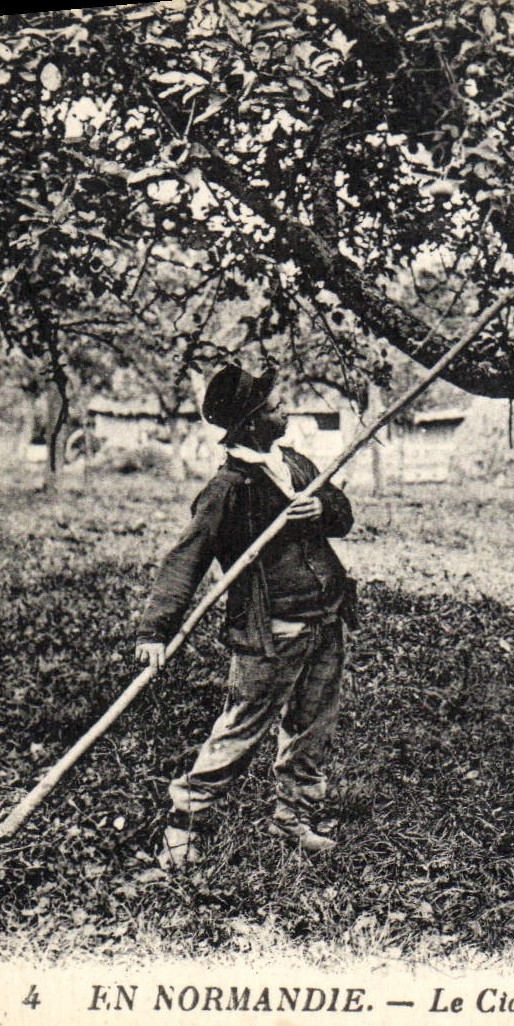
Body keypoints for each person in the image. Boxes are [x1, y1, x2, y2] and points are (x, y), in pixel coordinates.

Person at [136, 364, 357, 870]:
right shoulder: (228, 487)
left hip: (325, 618)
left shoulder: (297, 464)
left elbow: (343, 515)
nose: (287, 411)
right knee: (240, 730)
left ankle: (294, 817)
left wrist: (320, 509)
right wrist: (155, 629)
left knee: (312, 728)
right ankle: (183, 826)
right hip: (272, 631)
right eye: (277, 406)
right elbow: (186, 557)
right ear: (254, 420)